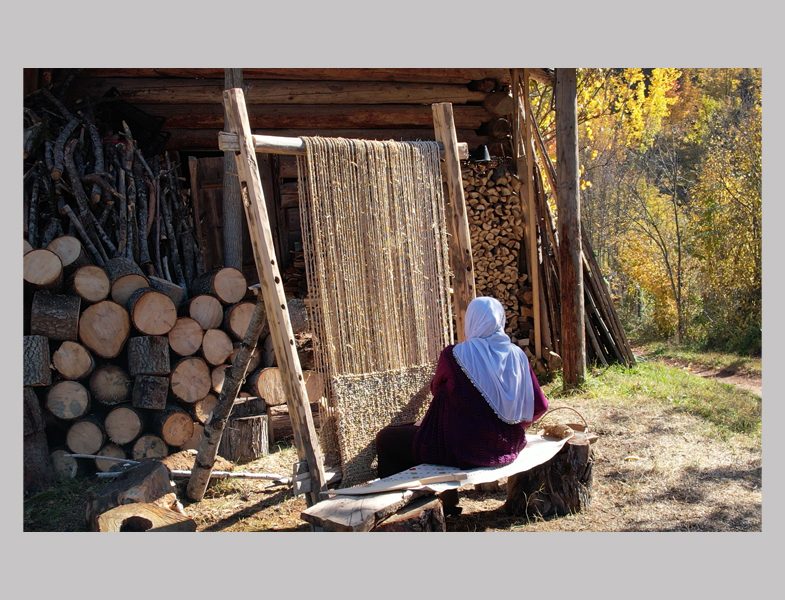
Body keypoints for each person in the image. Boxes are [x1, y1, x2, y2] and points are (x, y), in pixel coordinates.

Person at [375, 296, 549, 487]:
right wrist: (507, 427)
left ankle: (402, 497)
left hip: (463, 449)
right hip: (508, 447)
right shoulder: (518, 356)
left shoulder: (454, 355)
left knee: (387, 438)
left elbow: (436, 388)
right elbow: (541, 406)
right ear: (500, 320)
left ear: (472, 321)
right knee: (416, 431)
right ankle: (443, 501)